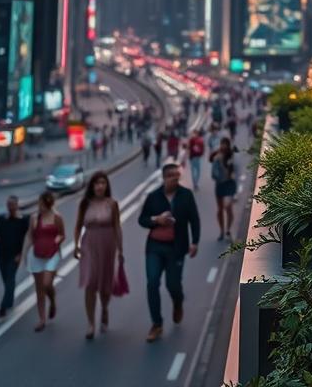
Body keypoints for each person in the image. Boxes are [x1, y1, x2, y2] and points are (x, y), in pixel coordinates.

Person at [138, 162, 200, 343]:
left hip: (176, 248)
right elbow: (142, 219)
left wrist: (195, 242)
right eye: (171, 175)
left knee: (173, 285)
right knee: (152, 283)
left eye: (177, 174)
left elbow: (194, 220)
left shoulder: (186, 196)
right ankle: (156, 324)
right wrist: (156, 219)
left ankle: (178, 302)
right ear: (164, 178)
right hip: (155, 247)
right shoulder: (153, 197)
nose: (175, 178)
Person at [74, 170, 123, 339]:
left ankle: (105, 308)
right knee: (90, 282)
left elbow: (117, 226)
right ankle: (90, 323)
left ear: (106, 185)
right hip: (89, 245)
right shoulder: (85, 204)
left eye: (103, 183)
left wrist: (120, 250)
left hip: (108, 244)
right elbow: (78, 226)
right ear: (92, 186)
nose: (100, 186)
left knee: (105, 284)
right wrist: (76, 246)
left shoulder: (112, 204)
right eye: (97, 183)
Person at [26, 191, 65, 331]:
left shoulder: (57, 217)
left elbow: (62, 234)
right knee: (39, 289)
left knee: (47, 283)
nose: (40, 207)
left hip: (52, 254)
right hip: (36, 255)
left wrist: (56, 241)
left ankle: (53, 302)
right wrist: (25, 253)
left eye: (43, 204)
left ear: (49, 205)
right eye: (40, 204)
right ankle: (42, 319)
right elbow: (30, 236)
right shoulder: (34, 218)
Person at [0, 195, 28, 317]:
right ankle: (10, 301)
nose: (10, 207)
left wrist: (21, 254)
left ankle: (3, 306)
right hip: (2, 255)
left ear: (17, 205)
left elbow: (27, 238)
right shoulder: (2, 219)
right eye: (8, 205)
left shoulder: (23, 220)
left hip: (15, 255)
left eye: (12, 205)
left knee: (10, 279)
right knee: (6, 280)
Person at [209, 137, 238, 242]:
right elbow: (212, 169)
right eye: (222, 144)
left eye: (225, 144)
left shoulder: (232, 155)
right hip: (219, 185)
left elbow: (236, 169)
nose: (223, 146)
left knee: (228, 207)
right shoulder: (217, 157)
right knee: (220, 209)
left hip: (230, 184)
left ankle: (228, 230)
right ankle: (222, 231)